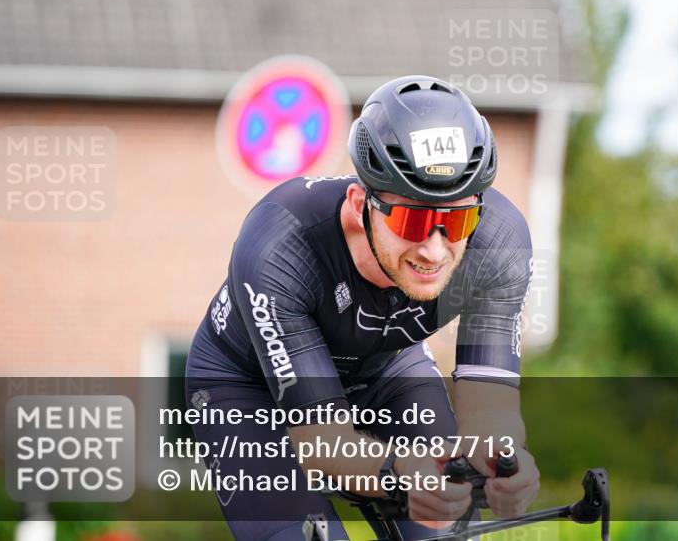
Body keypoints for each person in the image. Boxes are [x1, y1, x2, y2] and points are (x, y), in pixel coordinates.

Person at [186, 76, 539, 540]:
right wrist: (396, 472)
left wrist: (502, 460)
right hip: (248, 387)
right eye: (412, 220)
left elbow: (490, 409)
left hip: (387, 367)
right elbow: (320, 441)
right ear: (360, 204)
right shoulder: (282, 244)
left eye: (457, 221)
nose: (434, 251)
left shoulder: (499, 241)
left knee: (446, 526)